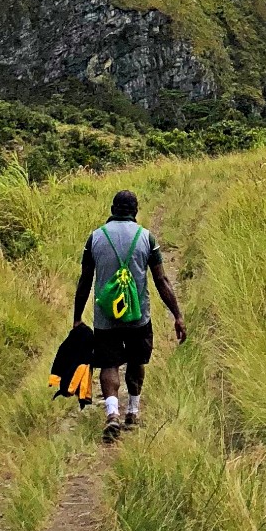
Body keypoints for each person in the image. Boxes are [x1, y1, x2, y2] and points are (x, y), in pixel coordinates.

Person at [73, 188, 186, 443]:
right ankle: (133, 411)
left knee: (108, 364)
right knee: (137, 360)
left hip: (106, 316)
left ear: (112, 210)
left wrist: (77, 317)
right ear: (135, 212)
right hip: (138, 316)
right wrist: (177, 315)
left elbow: (85, 280)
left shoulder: (95, 238)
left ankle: (112, 412)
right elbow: (161, 280)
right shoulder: (146, 238)